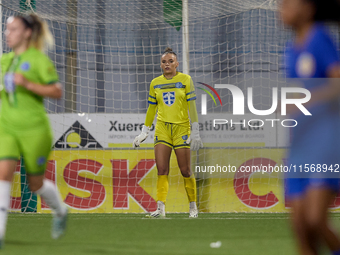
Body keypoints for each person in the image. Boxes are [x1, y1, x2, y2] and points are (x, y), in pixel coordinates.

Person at [0, 13, 68, 248]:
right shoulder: (4, 61)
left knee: (35, 184)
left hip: (35, 131)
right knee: (3, 174)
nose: (8, 34)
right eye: (7, 30)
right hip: (7, 129)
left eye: (14, 29)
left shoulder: (38, 60)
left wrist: (27, 83)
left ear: (27, 33)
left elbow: (57, 91)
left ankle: (60, 211)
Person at [280, 0, 340, 254]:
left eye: (287, 3)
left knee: (315, 220)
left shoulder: (319, 39)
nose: (281, 9)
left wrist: (302, 102)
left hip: (324, 143)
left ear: (307, 8)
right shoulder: (291, 48)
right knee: (301, 229)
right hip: (299, 144)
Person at [133, 47, 203, 218]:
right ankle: (160, 208)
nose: (167, 64)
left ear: (177, 63)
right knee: (161, 169)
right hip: (162, 129)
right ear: (160, 65)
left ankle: (193, 207)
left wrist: (195, 130)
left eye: (171, 61)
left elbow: (192, 106)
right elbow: (151, 109)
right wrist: (144, 131)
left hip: (181, 129)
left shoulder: (186, 80)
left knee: (185, 170)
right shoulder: (155, 83)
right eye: (164, 62)